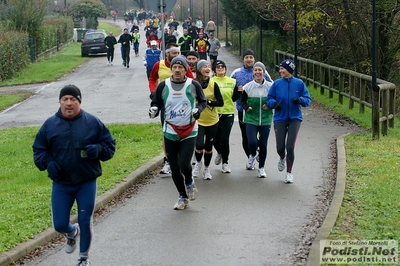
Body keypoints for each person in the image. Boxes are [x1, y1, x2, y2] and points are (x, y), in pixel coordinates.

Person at [32, 85, 116, 266]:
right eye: (65, 99)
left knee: (85, 220)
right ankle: (71, 232)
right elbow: (39, 150)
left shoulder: (92, 122)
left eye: (73, 100)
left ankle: (83, 259)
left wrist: (98, 150)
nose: (69, 103)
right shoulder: (50, 125)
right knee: (60, 225)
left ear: (79, 102)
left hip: (86, 181)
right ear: (60, 102)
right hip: (62, 184)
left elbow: (110, 146)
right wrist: (48, 162)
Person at [149, 56, 207, 210]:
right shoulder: (163, 86)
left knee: (184, 164)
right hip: (170, 130)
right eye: (174, 67)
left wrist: (198, 110)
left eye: (180, 67)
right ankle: (182, 196)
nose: (177, 70)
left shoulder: (193, 84)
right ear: (171, 69)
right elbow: (156, 102)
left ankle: (189, 180)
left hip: (189, 129)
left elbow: (203, 101)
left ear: (186, 69)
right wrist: (154, 109)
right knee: (174, 167)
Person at [148, 43, 195, 175]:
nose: (176, 55)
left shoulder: (183, 65)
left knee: (186, 130)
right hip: (166, 103)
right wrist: (153, 91)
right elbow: (152, 78)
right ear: (167, 53)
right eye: (173, 53)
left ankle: (184, 157)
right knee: (166, 132)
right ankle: (168, 161)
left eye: (178, 53)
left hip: (183, 104)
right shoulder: (159, 65)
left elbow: (192, 80)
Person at [267, 59, 312, 183]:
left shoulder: (299, 83)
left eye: (283, 68)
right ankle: (282, 157)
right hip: (280, 118)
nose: (280, 71)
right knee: (280, 147)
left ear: (290, 70)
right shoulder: (276, 84)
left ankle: (289, 173)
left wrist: (300, 100)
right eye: (280, 68)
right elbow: (269, 99)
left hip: (294, 118)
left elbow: (308, 99)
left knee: (290, 146)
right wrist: (274, 103)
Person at [230, 49, 273, 160]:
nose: (249, 60)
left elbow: (272, 88)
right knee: (246, 137)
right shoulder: (236, 73)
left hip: (260, 110)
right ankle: (251, 156)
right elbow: (230, 92)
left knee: (259, 137)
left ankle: (256, 151)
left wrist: (269, 103)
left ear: (254, 59)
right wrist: (237, 92)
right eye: (246, 57)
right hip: (243, 110)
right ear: (243, 59)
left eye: (251, 57)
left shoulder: (262, 71)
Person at [192, 60, 224, 180]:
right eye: (204, 66)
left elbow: (220, 102)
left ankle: (206, 168)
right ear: (199, 69)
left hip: (212, 120)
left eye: (209, 66)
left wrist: (207, 102)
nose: (207, 68)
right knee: (199, 145)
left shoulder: (213, 84)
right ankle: (198, 164)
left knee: (208, 147)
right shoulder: (194, 84)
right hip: (198, 120)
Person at [240, 62, 273, 177]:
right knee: (252, 142)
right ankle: (252, 155)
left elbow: (275, 100)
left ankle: (261, 168)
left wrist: (269, 105)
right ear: (253, 72)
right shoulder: (247, 87)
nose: (258, 72)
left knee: (263, 144)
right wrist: (246, 107)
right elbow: (242, 101)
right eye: (256, 70)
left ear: (264, 72)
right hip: (251, 119)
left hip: (265, 118)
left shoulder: (270, 86)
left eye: (260, 70)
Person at [211, 60, 240, 173]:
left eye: (222, 66)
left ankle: (225, 163)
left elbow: (233, 98)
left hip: (228, 113)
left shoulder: (232, 81)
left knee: (224, 139)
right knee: (214, 140)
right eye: (218, 67)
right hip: (214, 113)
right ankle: (219, 152)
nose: (220, 68)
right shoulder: (211, 81)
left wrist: (239, 93)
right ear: (214, 70)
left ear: (226, 69)